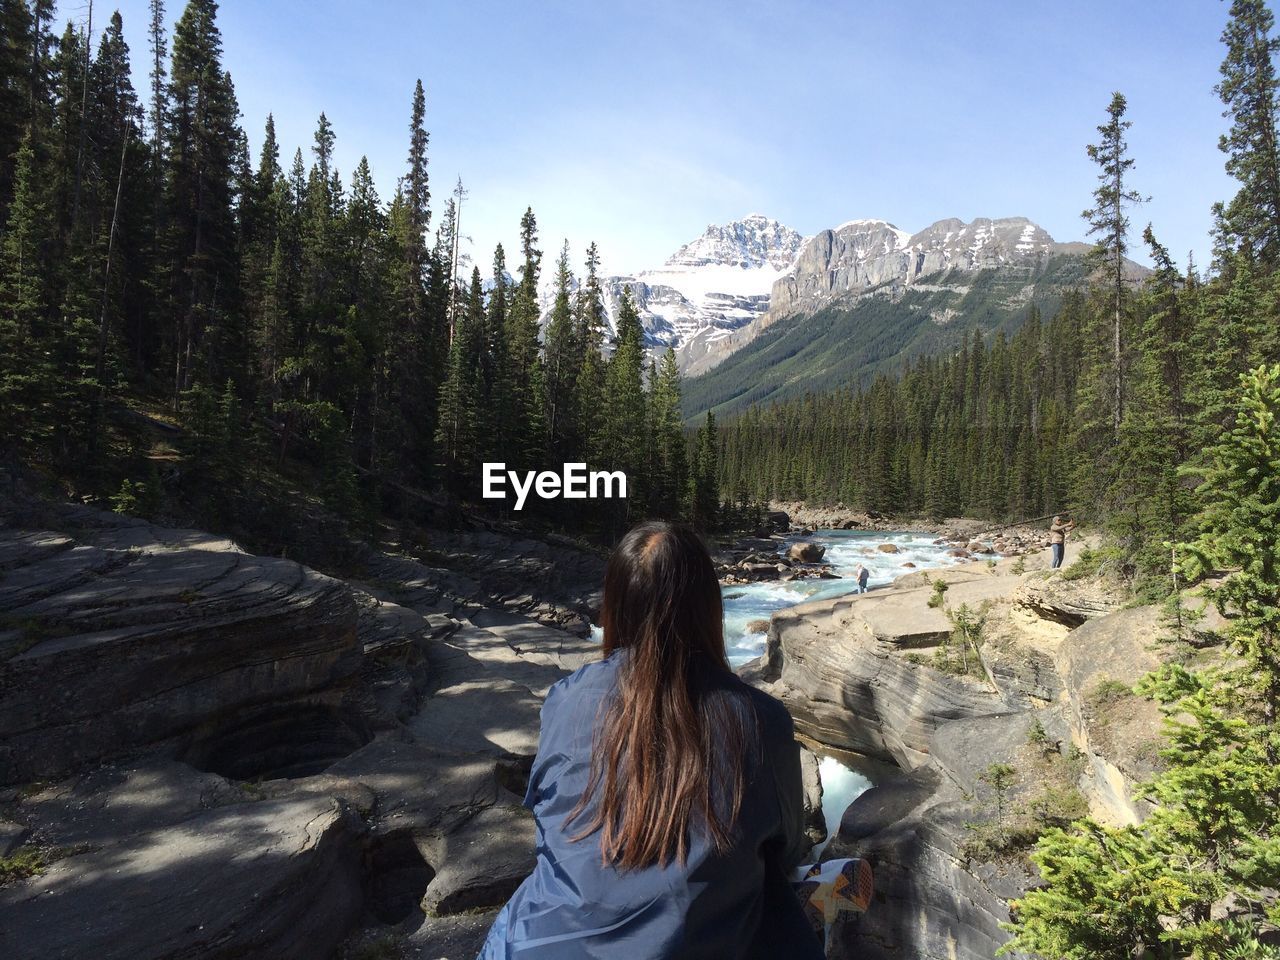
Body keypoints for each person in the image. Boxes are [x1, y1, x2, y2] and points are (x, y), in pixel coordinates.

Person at [478, 521, 824, 959]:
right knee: (773, 896)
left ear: (616, 606)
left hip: (533, 945)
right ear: (708, 607)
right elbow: (788, 844)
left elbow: (549, 817)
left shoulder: (567, 699)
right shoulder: (761, 719)